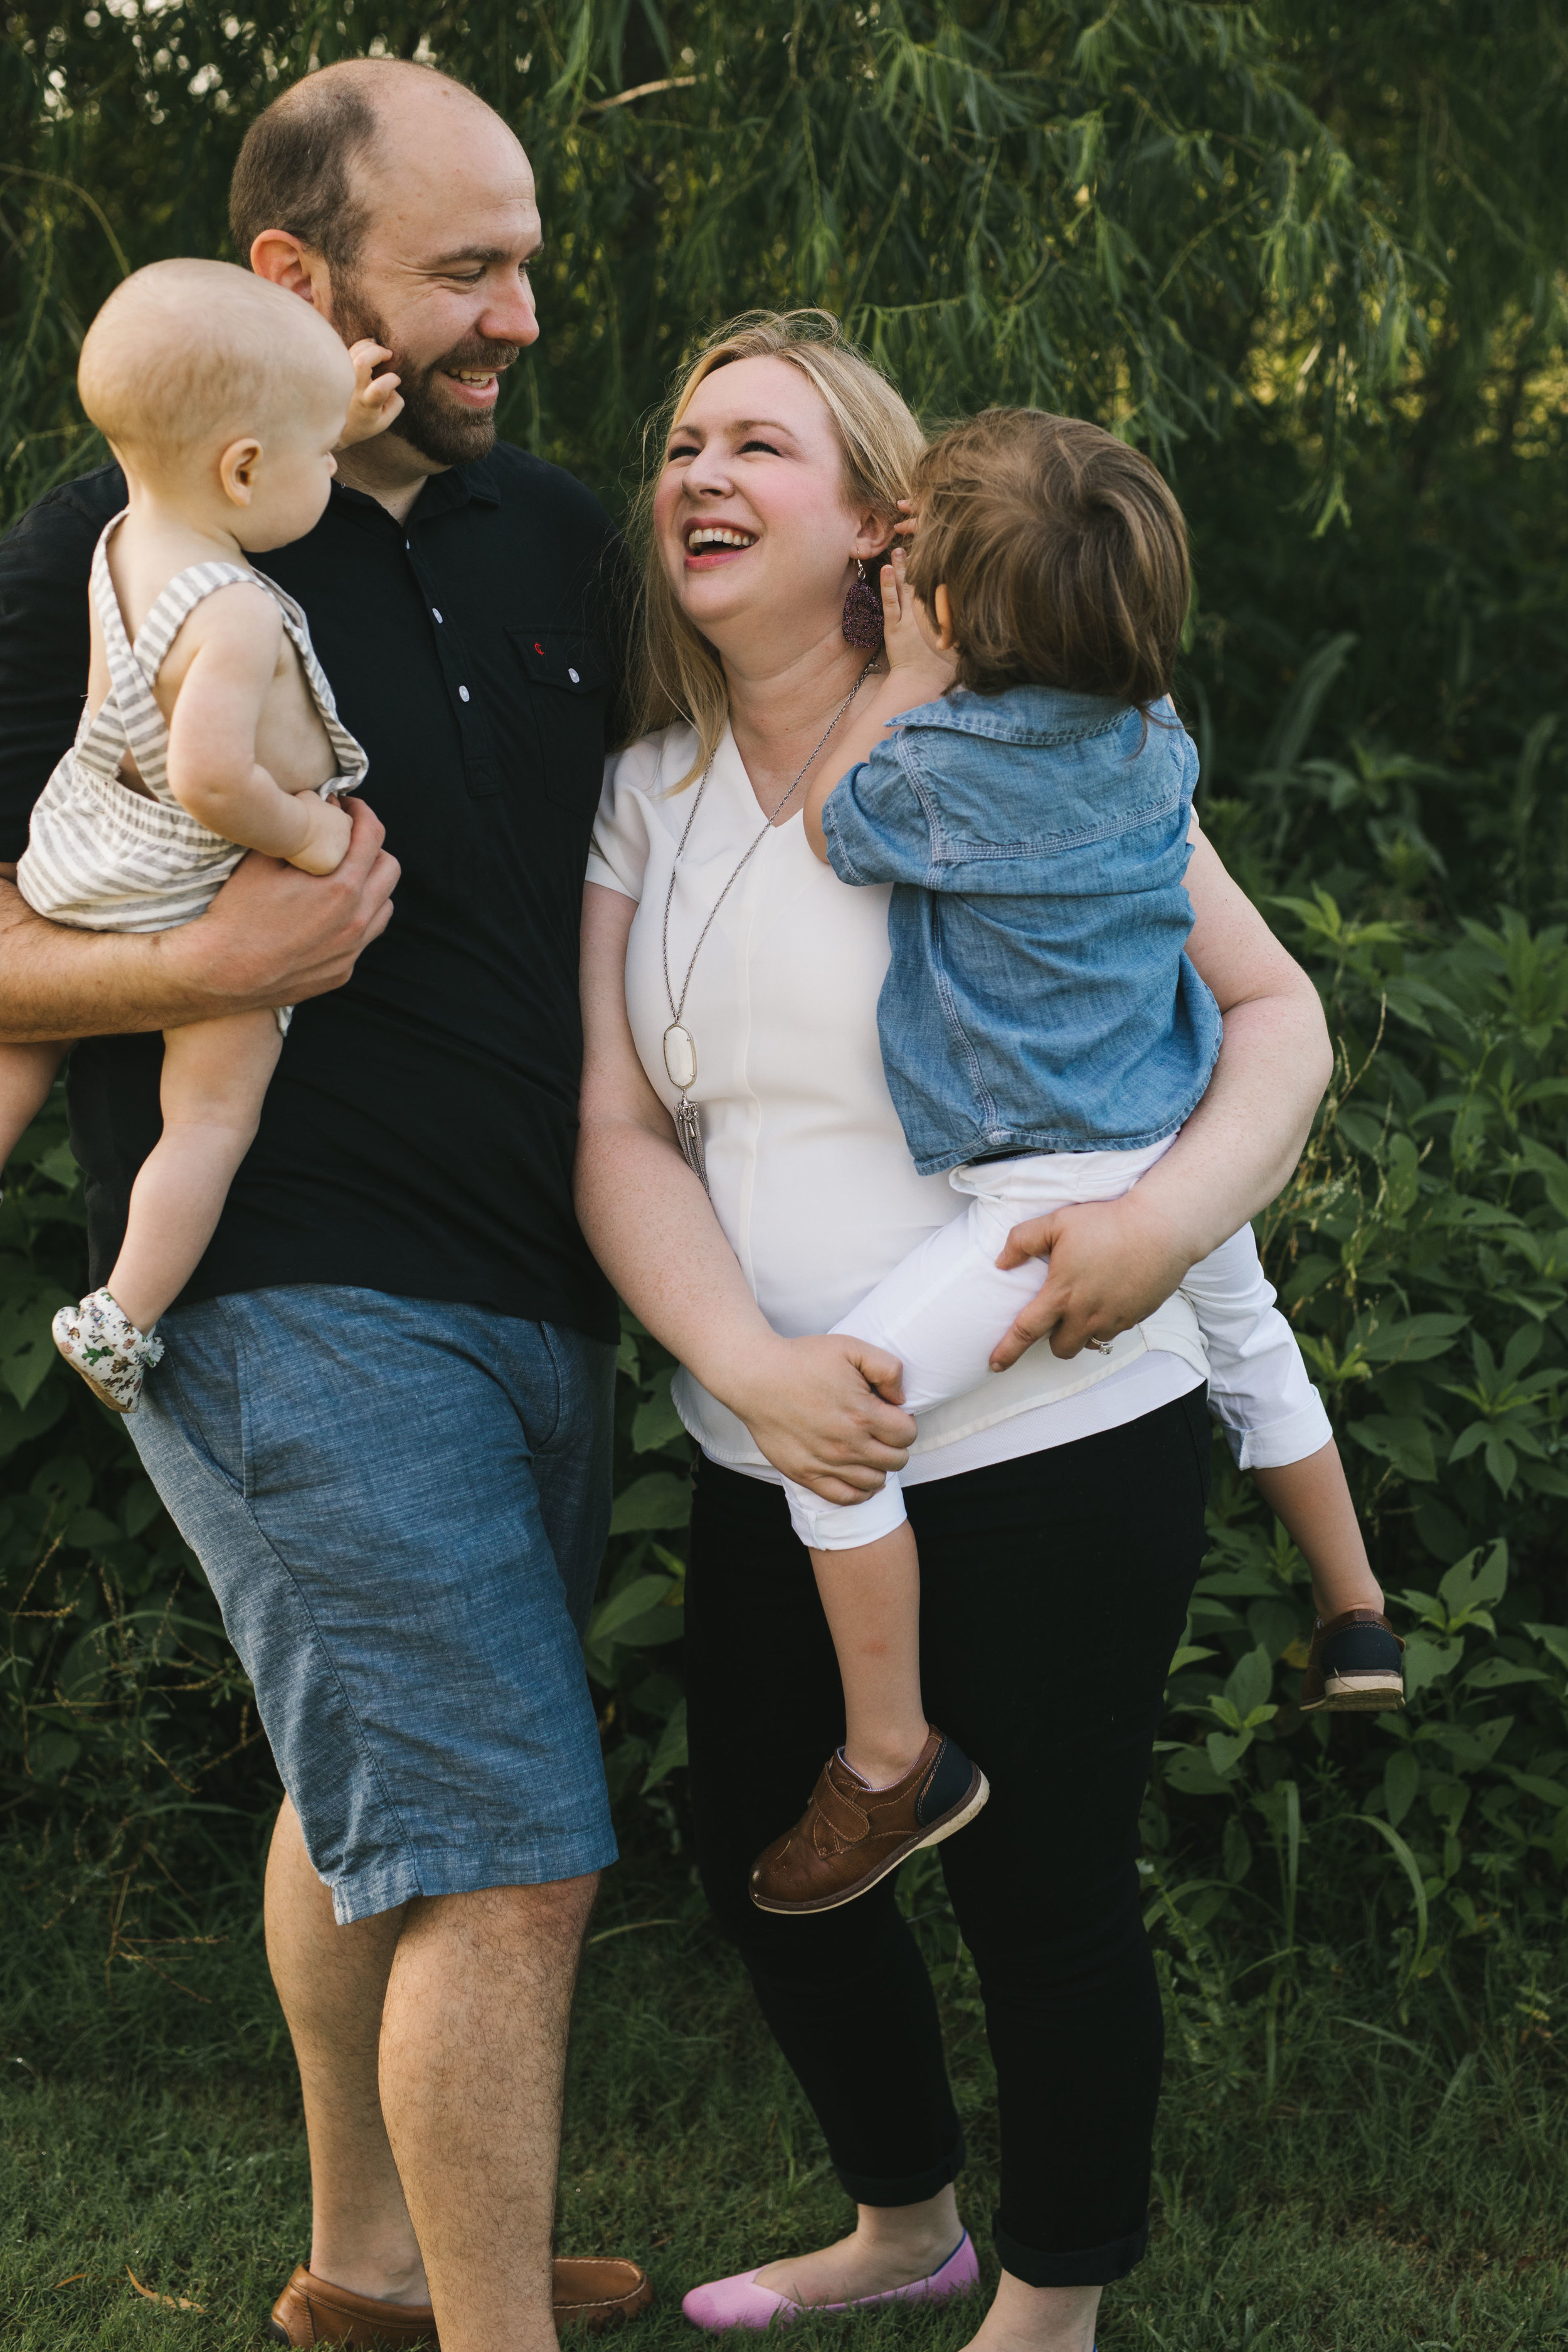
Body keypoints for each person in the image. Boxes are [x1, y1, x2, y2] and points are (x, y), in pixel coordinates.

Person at [575, 311, 1335, 2352]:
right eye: (683, 438)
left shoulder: (1036, 741)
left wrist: (1164, 1219)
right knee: (778, 1867)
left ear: (877, 525)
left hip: (1060, 1428)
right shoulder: (648, 793)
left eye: (763, 443)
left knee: (1045, 1894)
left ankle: (1054, 2301)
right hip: (788, 1446)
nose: (703, 470)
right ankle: (907, 2222)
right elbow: (617, 1122)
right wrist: (744, 1365)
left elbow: (1275, 1016)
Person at [0, 58, 650, 2352]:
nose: (523, 318)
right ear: (300, 281)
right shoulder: (119, 544)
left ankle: (373, 2261)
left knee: (372, 1784)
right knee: (508, 1842)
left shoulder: (560, 532)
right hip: (279, 1287)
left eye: (530, 263)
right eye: (470, 270)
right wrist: (206, 963)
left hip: (549, 1289)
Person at [743, 408, 1402, 1913]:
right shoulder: (1150, 739)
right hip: (1175, 1142)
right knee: (1256, 1354)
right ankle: (1356, 1611)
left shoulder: (937, 773)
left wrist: (899, 682)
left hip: (1047, 1192)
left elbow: (831, 833)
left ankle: (890, 1757)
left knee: (833, 1424)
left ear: (956, 609)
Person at [3, 260, 401, 1411]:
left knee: (23, 1041)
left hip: (86, 837)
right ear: (244, 467)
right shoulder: (231, 608)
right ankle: (120, 1317)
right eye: (326, 456)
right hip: (193, 871)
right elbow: (213, 775)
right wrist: (310, 839)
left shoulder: (128, 535)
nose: (335, 469)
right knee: (211, 1117)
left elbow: (242, 476)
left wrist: (331, 415)